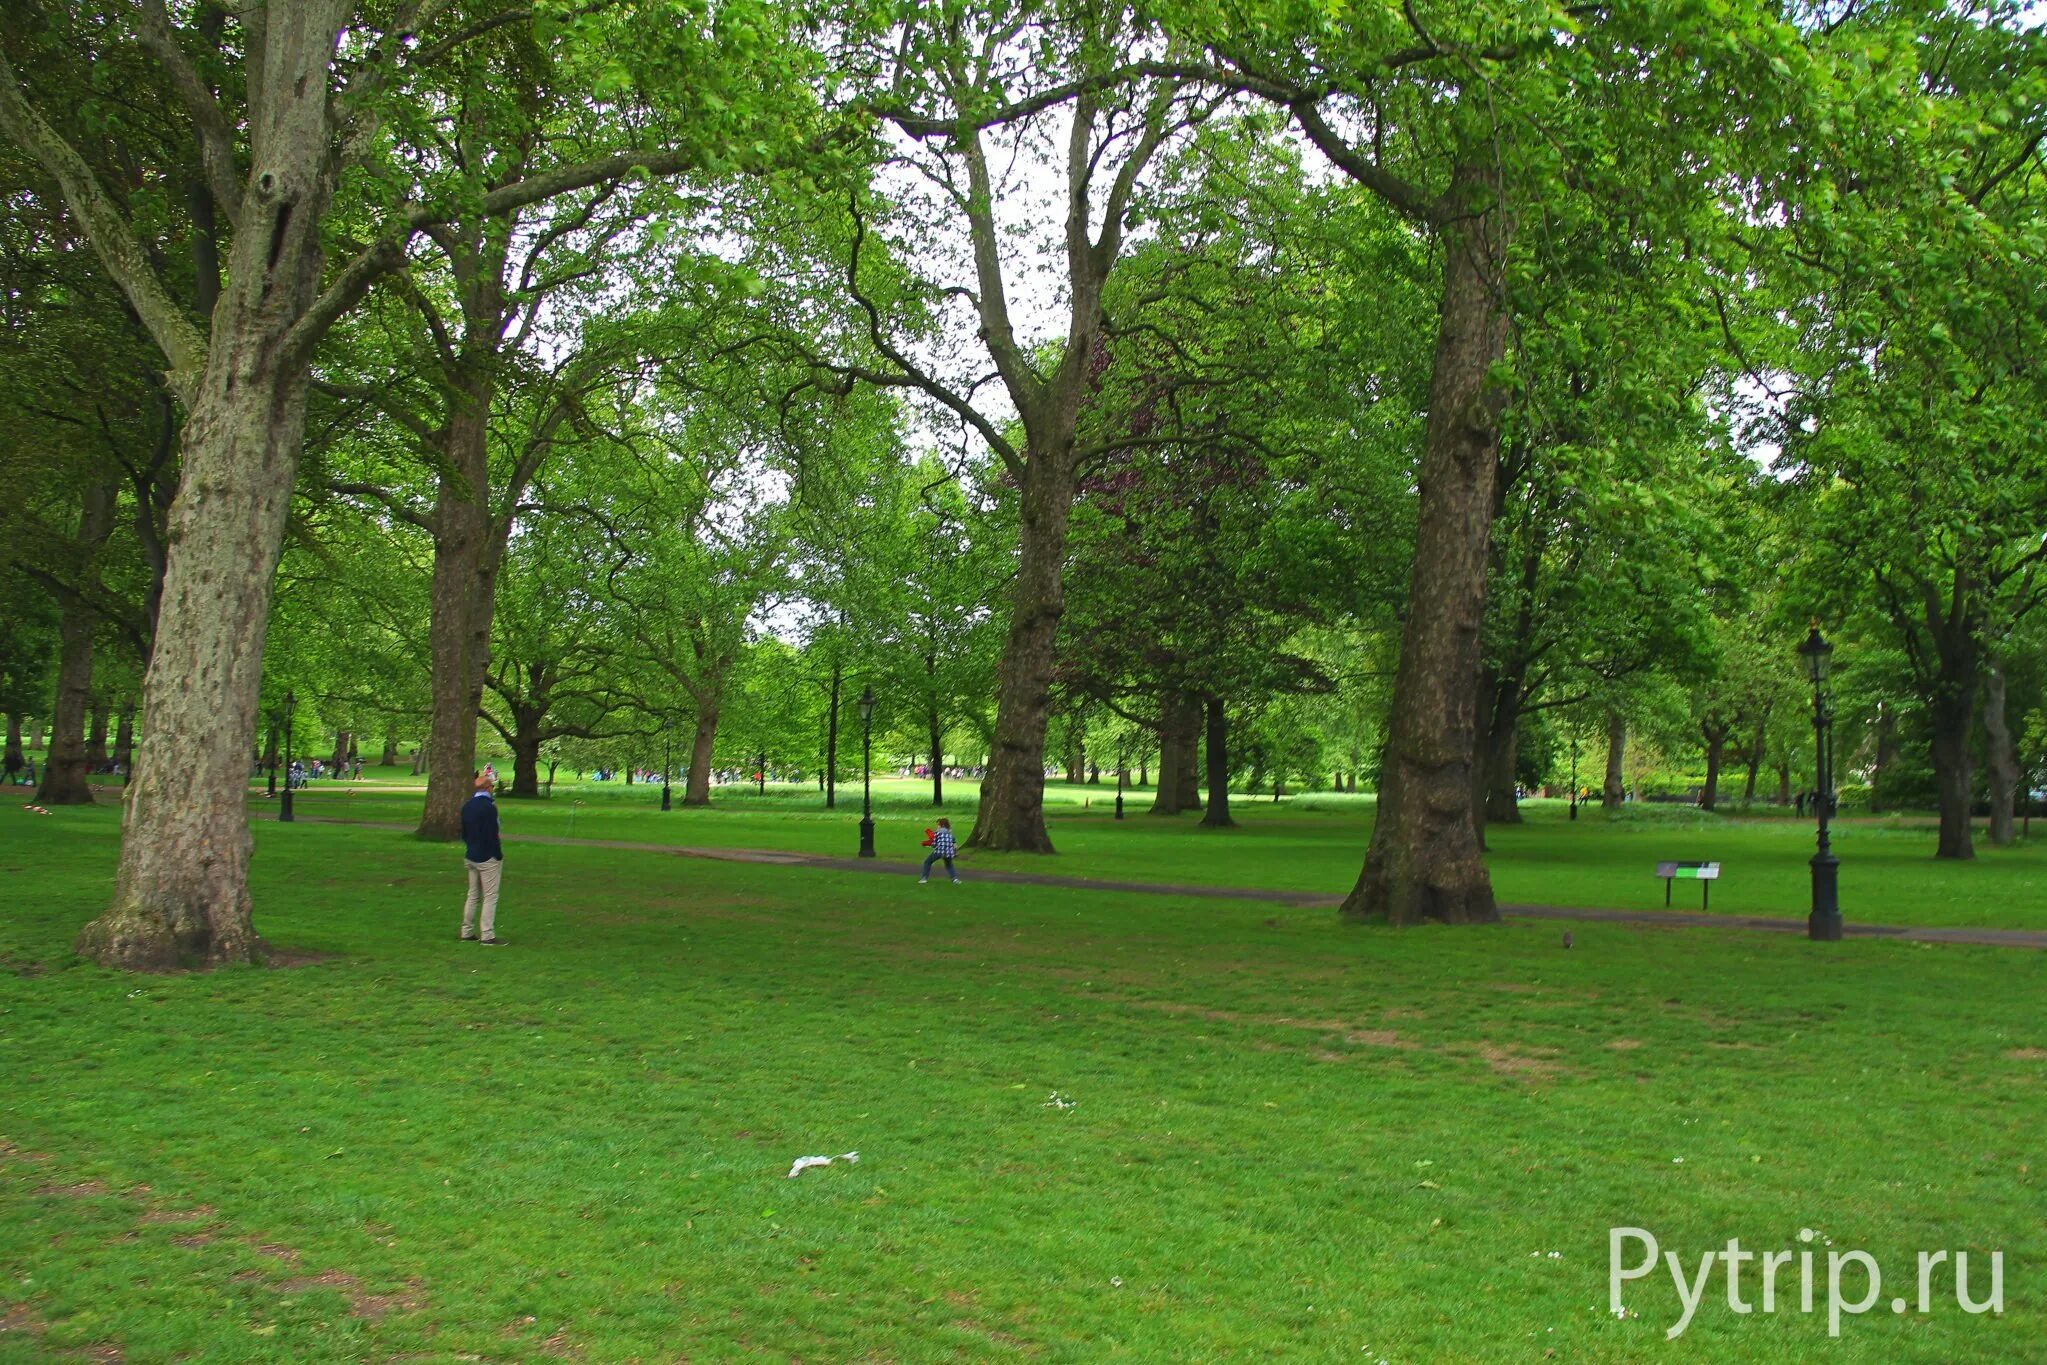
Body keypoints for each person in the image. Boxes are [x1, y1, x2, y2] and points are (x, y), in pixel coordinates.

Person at [460, 769, 506, 944]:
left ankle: (467, 931)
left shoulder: (467, 806)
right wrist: (497, 854)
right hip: (487, 856)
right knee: (490, 896)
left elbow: (464, 832)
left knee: (473, 895)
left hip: (471, 853)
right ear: (488, 788)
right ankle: (487, 934)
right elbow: (492, 833)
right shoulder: (489, 808)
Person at [919, 818, 960, 885]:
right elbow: (955, 844)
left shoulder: (937, 832)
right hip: (949, 852)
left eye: (938, 825)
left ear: (942, 825)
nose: (937, 826)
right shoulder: (950, 833)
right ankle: (955, 879)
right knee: (949, 865)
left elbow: (934, 844)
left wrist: (926, 844)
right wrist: (956, 852)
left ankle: (924, 879)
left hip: (939, 851)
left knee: (927, 862)